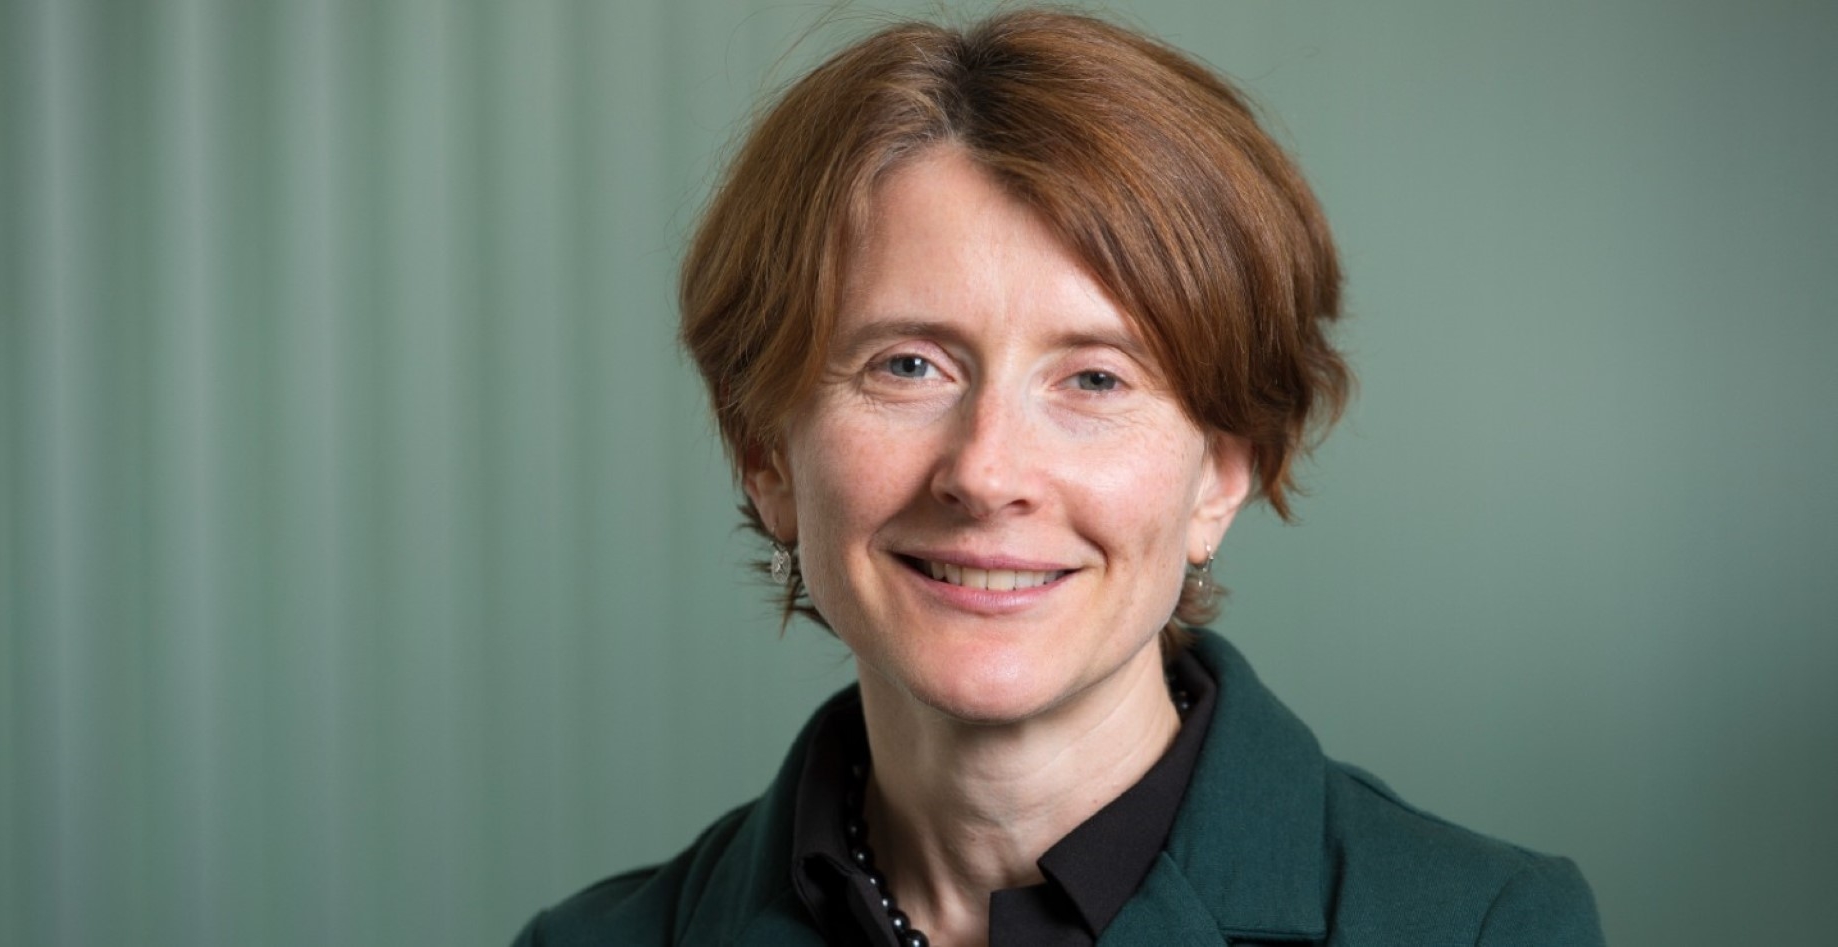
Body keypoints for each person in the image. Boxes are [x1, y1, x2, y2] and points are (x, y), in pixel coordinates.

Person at [516, 9, 1603, 946]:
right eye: (907, 365)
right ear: (766, 455)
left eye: (1093, 377)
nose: (988, 471)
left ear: (1224, 470)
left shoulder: (1480, 924)